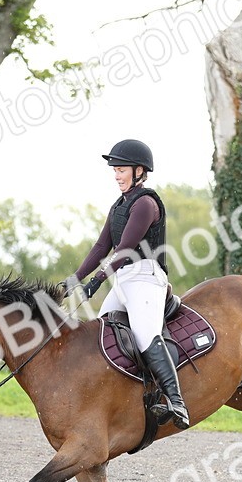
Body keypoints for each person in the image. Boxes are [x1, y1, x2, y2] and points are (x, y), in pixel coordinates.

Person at [65, 138, 189, 429]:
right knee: (100, 334)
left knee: (145, 335)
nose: (117, 175)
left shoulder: (146, 203)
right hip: (123, 281)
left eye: (121, 170)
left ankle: (176, 401)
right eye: (115, 171)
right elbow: (100, 248)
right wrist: (73, 280)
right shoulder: (118, 205)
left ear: (139, 171)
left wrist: (96, 281)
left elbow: (125, 249)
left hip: (146, 278)